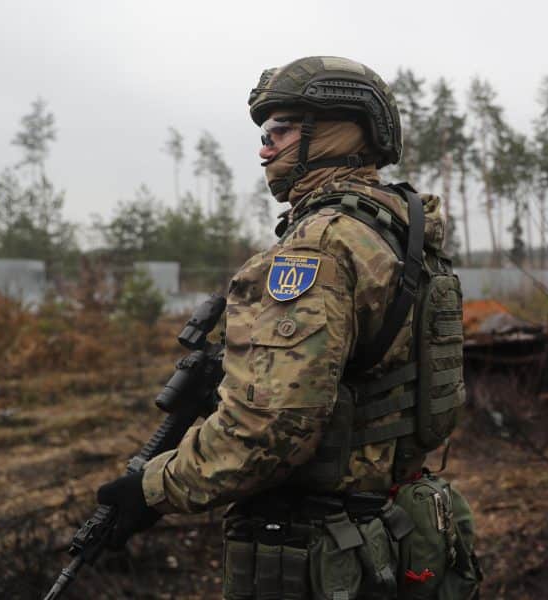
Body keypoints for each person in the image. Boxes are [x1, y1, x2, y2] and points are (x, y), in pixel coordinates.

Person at [96, 56, 481, 599]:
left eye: (279, 130)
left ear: (335, 133)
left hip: (323, 549)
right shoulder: (399, 235)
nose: (264, 147)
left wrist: (152, 488)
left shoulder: (319, 247)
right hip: (391, 525)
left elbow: (271, 429)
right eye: (263, 132)